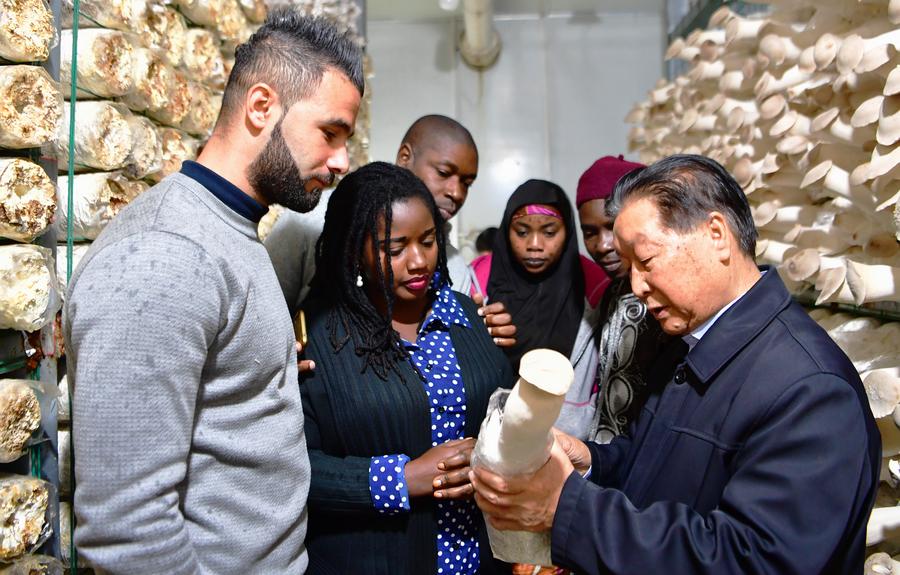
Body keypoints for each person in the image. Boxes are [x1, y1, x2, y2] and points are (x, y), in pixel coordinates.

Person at [471, 155, 880, 575]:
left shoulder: (812, 390)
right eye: (629, 268)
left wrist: (567, 509)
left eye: (646, 261)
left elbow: (750, 560)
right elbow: (650, 463)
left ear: (716, 234)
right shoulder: (687, 343)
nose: (636, 286)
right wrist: (589, 461)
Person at [63, 12, 363, 574]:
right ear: (260, 107)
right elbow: (128, 532)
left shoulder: (231, 231)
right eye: (330, 132)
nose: (342, 160)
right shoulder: (163, 255)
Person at [300, 162, 514, 574]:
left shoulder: (468, 315)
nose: (418, 261)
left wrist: (490, 455)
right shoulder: (322, 338)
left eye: (428, 241)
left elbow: (506, 416)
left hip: (477, 558)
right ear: (353, 250)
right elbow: (294, 468)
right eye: (394, 249)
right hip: (375, 559)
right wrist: (401, 478)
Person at [470, 179, 609, 438]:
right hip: (485, 435)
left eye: (549, 232)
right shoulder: (478, 279)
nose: (534, 244)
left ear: (567, 232)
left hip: (564, 441)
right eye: (522, 232)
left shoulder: (595, 286)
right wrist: (475, 333)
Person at [576, 155, 669, 443]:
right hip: (606, 458)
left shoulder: (671, 292)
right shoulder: (611, 293)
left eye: (612, 227)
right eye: (590, 233)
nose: (603, 246)